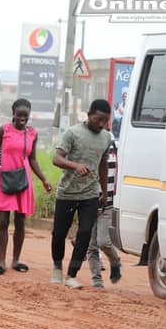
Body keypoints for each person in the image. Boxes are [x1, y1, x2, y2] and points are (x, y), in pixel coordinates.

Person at [0, 98, 52, 276]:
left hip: (23, 180)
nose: (22, 118)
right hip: (5, 179)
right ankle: (1, 262)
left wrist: (44, 179)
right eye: (19, 115)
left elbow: (33, 159)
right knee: (3, 222)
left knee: (20, 222)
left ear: (29, 116)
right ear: (13, 113)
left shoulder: (32, 133)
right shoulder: (3, 130)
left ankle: (16, 260)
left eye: (25, 116)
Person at [50, 99, 112, 289]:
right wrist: (75, 165)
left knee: (85, 234)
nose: (100, 124)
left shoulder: (107, 137)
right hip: (68, 192)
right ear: (88, 114)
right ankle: (57, 268)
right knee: (59, 233)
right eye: (97, 119)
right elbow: (56, 158)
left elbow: (103, 165)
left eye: (105, 121)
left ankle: (71, 275)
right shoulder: (73, 133)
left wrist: (104, 192)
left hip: (90, 194)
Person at [86, 129, 122, 288]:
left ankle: (115, 261)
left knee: (103, 241)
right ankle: (97, 280)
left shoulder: (117, 148)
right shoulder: (85, 150)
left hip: (107, 202)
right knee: (91, 245)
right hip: (88, 202)